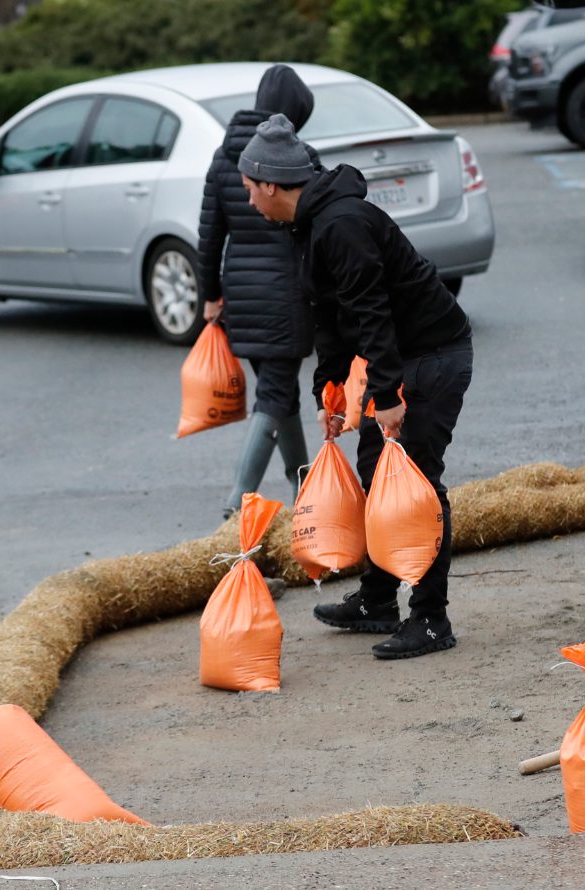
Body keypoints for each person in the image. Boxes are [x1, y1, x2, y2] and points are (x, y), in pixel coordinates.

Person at [239, 115, 474, 660]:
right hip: (398, 354)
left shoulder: (340, 223)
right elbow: (329, 312)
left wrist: (388, 397)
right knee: (375, 470)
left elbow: (372, 312)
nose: (250, 202)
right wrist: (331, 387)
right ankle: (377, 600)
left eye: (251, 189)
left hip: (432, 354)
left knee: (414, 483)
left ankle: (432, 617)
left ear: (271, 184)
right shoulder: (310, 223)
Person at [197, 65, 318, 518]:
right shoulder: (300, 158)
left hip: (242, 298)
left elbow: (209, 235)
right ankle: (235, 507)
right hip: (287, 301)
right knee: (273, 397)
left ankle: (305, 494)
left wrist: (210, 295)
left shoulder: (224, 154)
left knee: (281, 395)